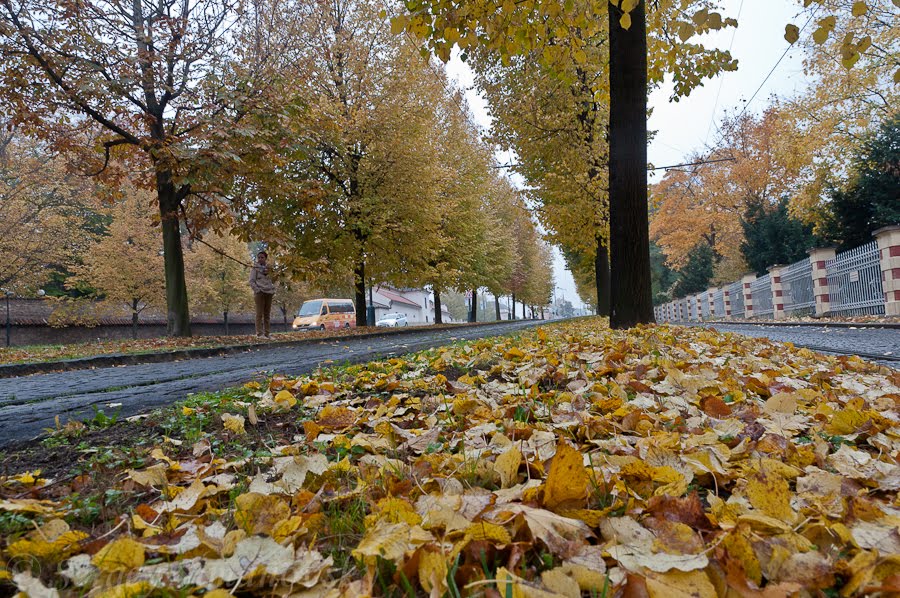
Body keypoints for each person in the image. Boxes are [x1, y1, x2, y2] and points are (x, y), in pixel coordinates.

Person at [249, 250, 275, 337]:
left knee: (267, 314)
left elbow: (274, 279)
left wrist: (272, 288)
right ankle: (259, 334)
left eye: (262, 257)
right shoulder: (255, 268)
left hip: (269, 292)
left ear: (265, 258)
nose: (260, 259)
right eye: (259, 257)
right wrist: (257, 290)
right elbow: (251, 281)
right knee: (259, 314)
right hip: (260, 293)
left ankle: (267, 333)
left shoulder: (270, 269)